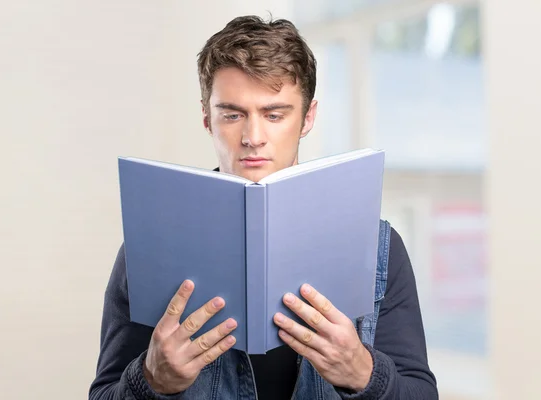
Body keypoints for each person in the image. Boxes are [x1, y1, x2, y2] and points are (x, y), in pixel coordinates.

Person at [89, 15, 438, 400]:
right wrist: (151, 380)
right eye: (233, 114)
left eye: (274, 115)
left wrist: (363, 373)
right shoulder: (148, 247)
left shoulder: (380, 248)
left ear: (308, 118)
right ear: (207, 117)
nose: (253, 138)